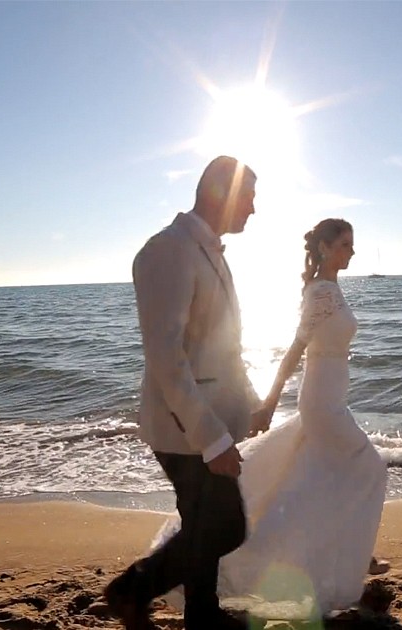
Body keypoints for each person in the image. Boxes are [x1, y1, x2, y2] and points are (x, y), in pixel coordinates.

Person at [151, 218, 389, 622]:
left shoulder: (330, 289)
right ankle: (354, 555)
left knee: (317, 480)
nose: (352, 250)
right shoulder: (322, 293)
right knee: (371, 469)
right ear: (326, 248)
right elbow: (296, 349)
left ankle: (342, 554)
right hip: (321, 405)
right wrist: (269, 401)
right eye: (346, 244)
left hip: (331, 399)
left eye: (353, 244)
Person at [104, 156, 267, 630]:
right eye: (250, 197)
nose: (253, 210)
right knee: (225, 526)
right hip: (184, 429)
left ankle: (203, 614)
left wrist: (251, 401)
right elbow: (166, 357)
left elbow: (222, 347)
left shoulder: (208, 251)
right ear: (222, 193)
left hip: (212, 420)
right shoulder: (168, 250)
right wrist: (210, 438)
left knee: (202, 524)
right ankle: (129, 590)